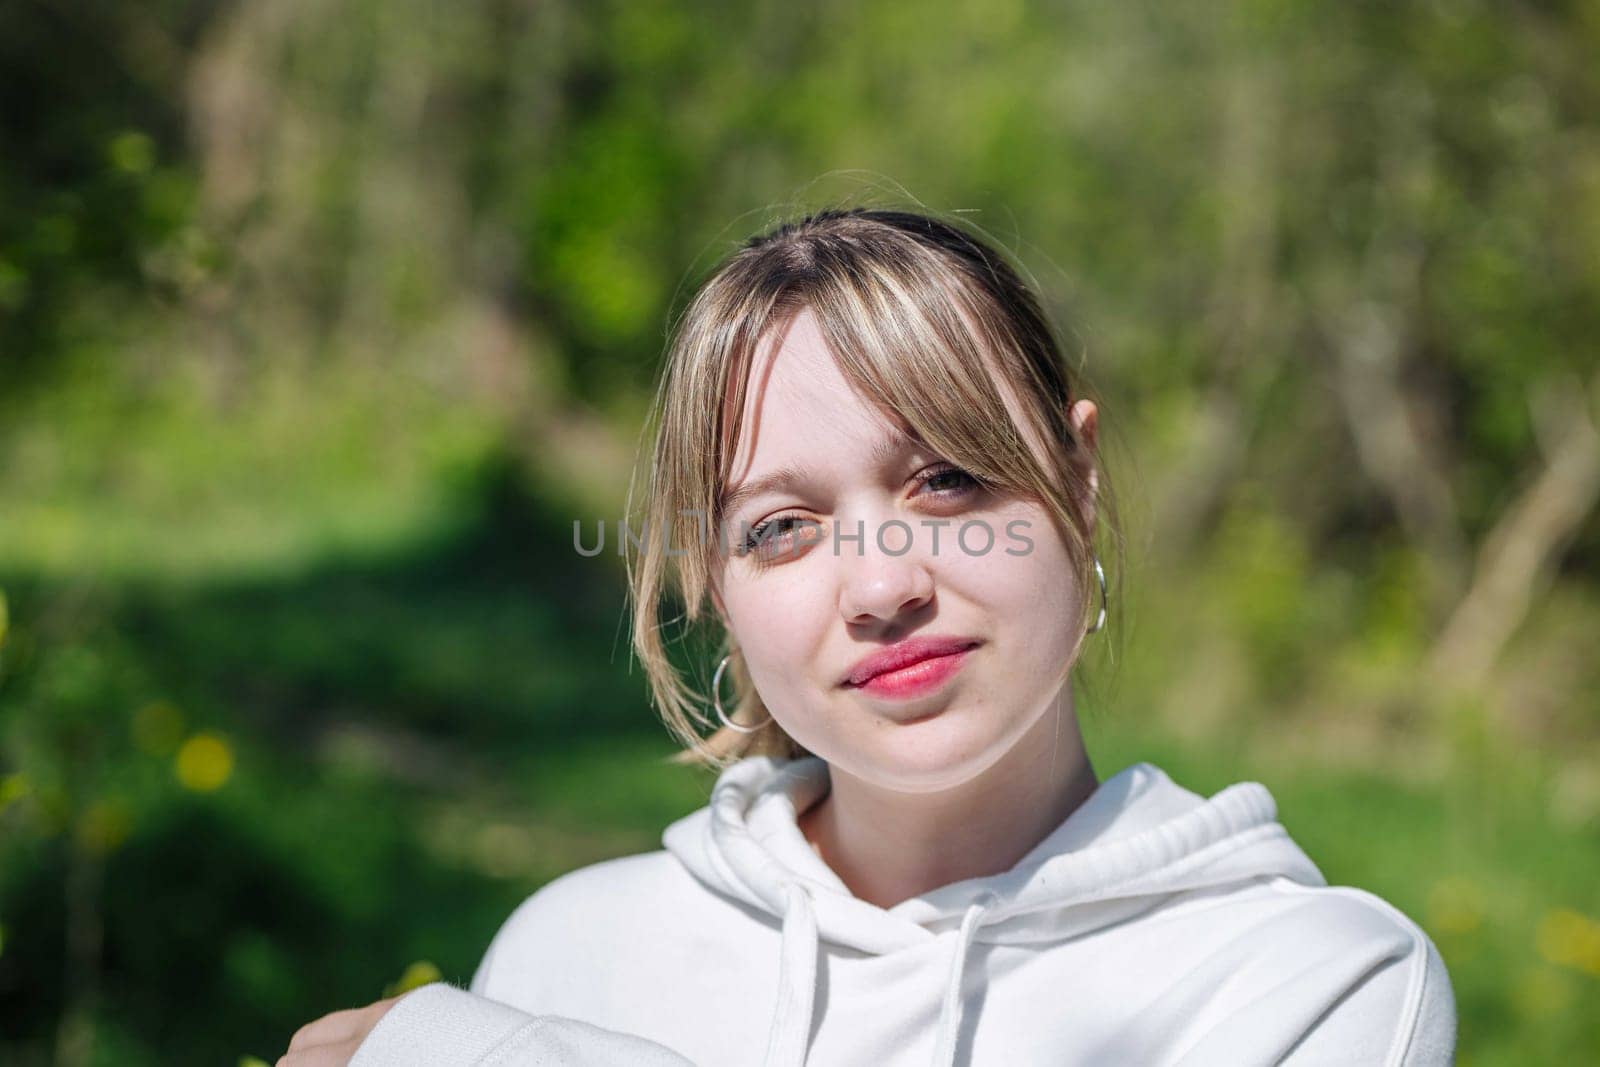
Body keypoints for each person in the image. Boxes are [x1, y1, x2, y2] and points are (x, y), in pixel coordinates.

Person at [281, 208, 1458, 1066]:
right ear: (712, 581)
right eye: (783, 527)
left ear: (1078, 477)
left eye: (945, 479)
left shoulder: (1320, 982)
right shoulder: (570, 947)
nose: (883, 584)